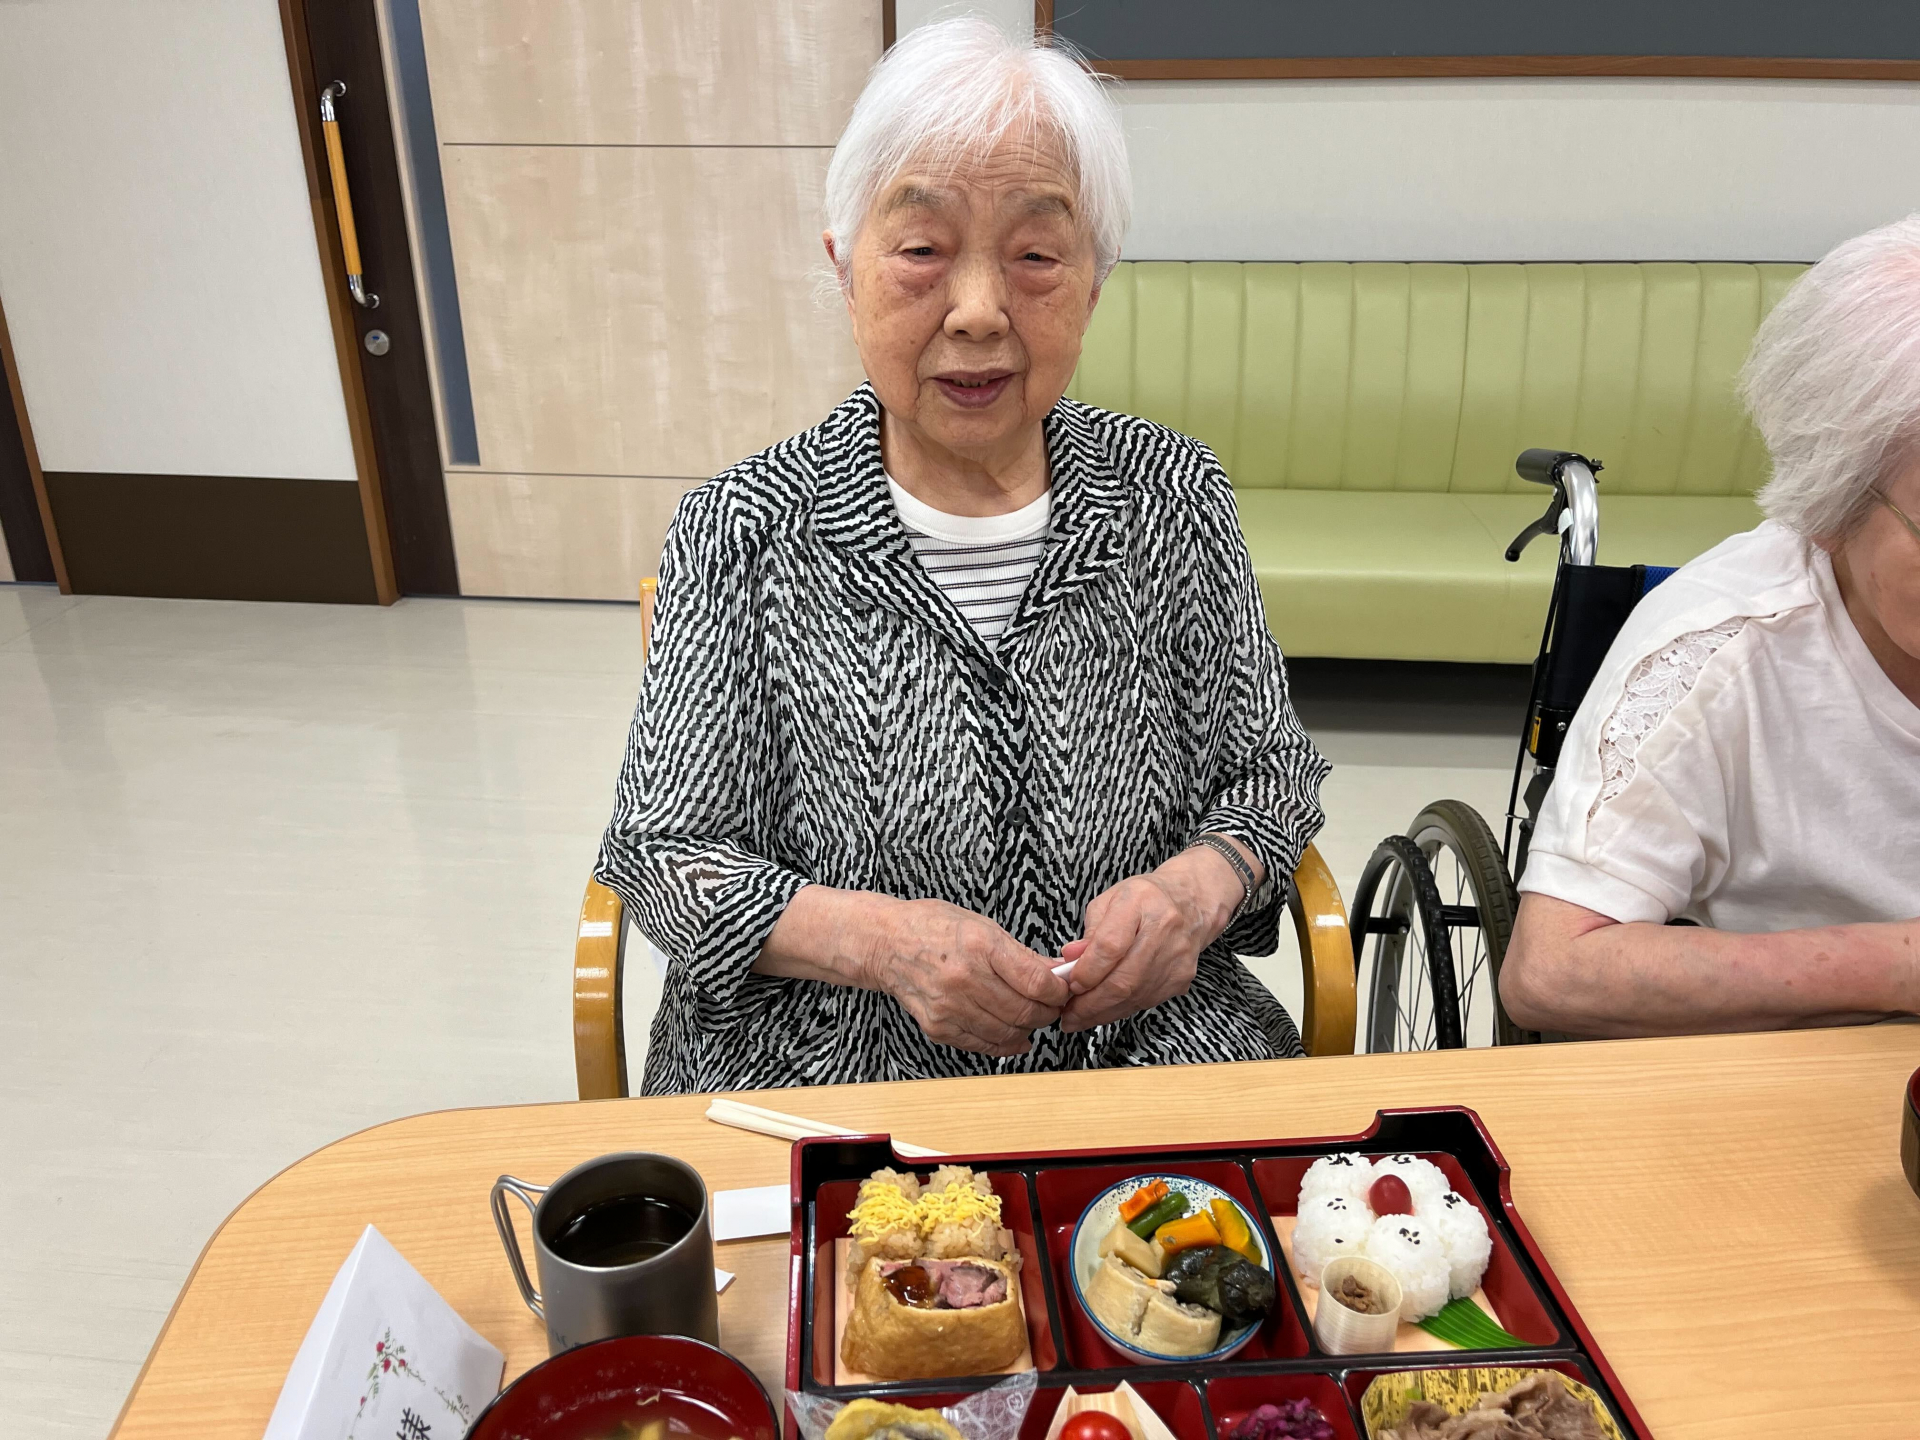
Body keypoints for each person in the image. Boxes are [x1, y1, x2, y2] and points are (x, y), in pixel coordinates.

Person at [595, 19, 1329, 1094]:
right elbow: (665, 854)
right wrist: (882, 945)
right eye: (922, 251)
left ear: (1094, 281)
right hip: (832, 1069)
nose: (979, 312)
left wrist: (1195, 891)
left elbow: (1270, 773)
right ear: (845, 268)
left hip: (1146, 1053)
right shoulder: (743, 527)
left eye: (1035, 256)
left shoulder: (1172, 496)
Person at [1500, 215, 1920, 1038]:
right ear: (1833, 506)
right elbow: (1553, 970)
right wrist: (1899, 966)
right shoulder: (1718, 657)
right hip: (1805, 1069)